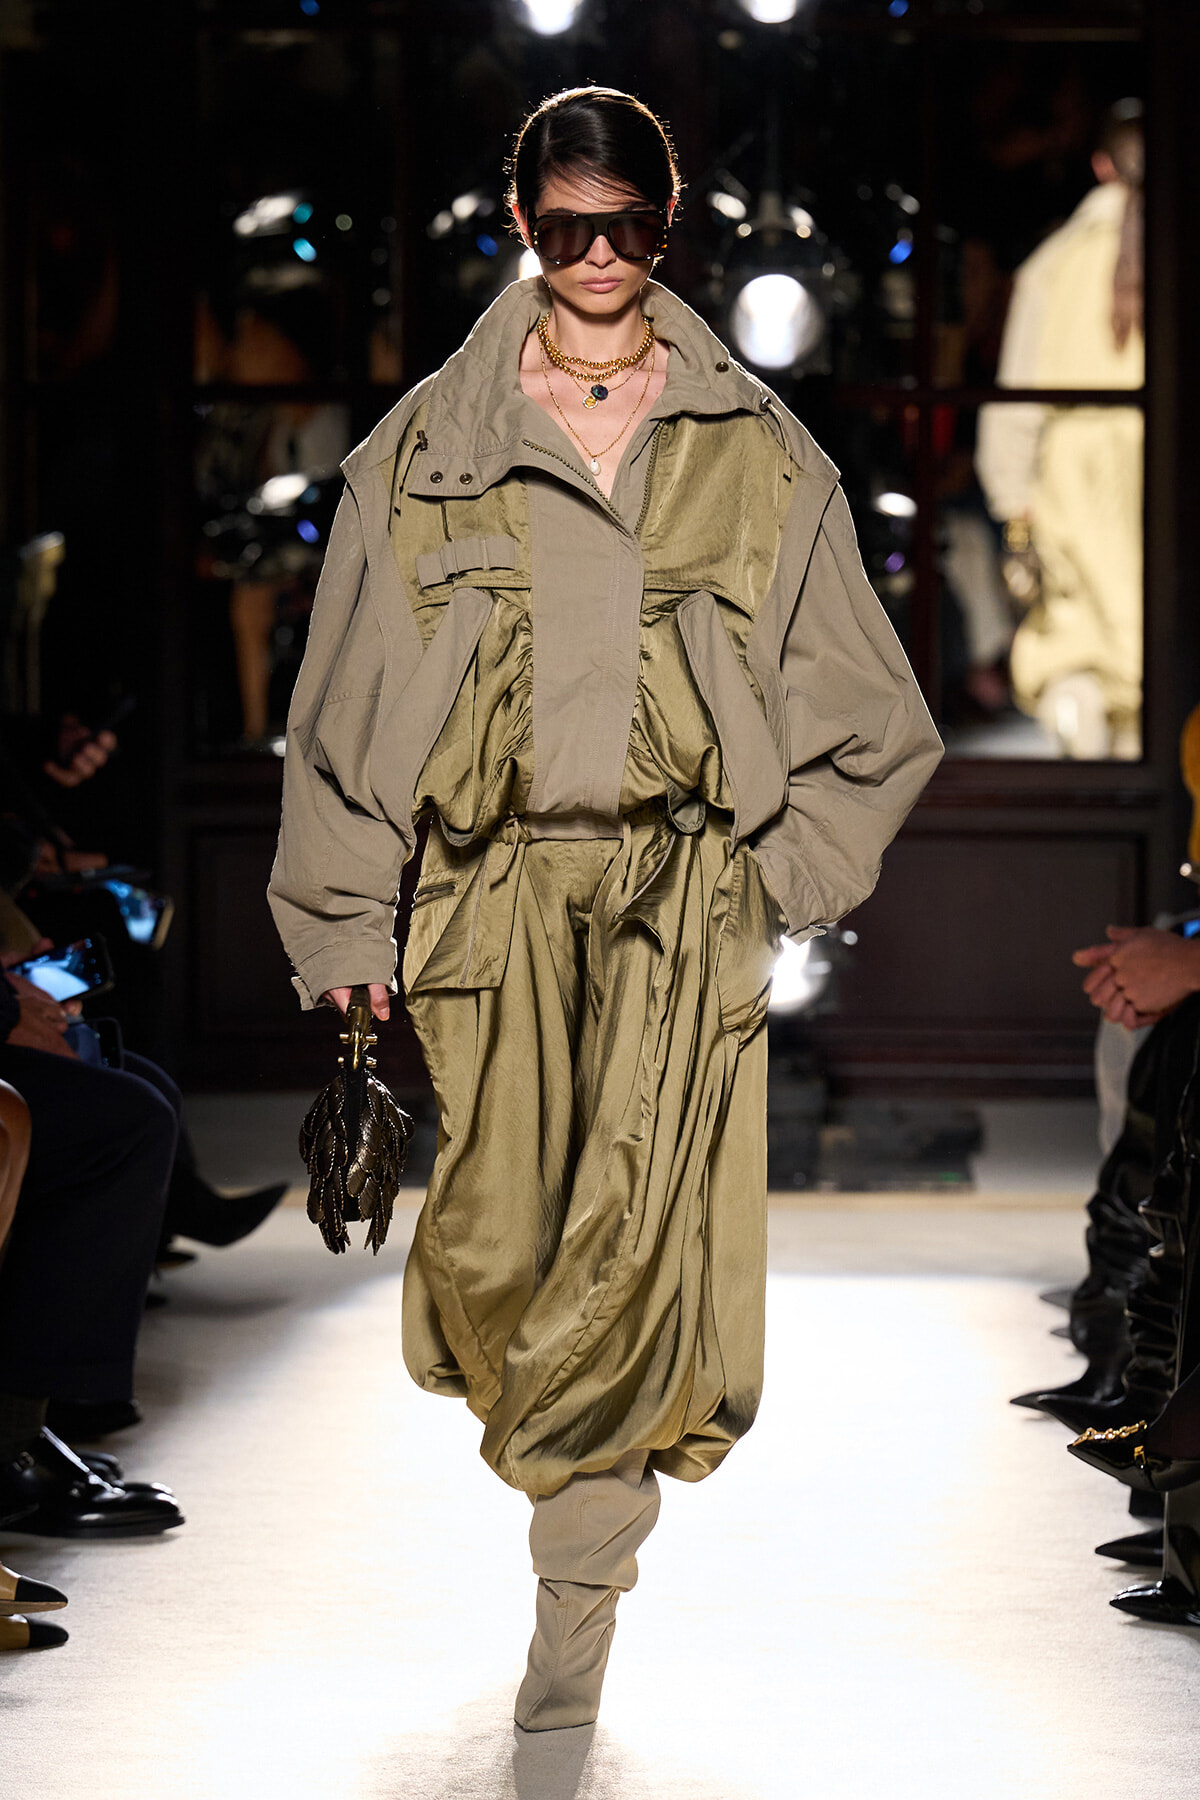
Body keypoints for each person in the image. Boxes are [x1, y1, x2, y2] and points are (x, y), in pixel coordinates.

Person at [268, 86, 942, 1731]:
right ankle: (575, 1523)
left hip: (675, 910)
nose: (593, 258)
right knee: (496, 1273)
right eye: (562, 227)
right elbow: (349, 726)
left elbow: (881, 723)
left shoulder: (758, 456)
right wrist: (349, 950)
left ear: (668, 220)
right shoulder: (423, 454)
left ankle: (575, 1618)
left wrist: (769, 884)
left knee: (628, 1275)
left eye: (624, 226)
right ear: (520, 226)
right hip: (486, 914)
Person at [976, 99, 1144, 759]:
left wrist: (1013, 500)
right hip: (1161, 465)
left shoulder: (1056, 261)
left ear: (1101, 166)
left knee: (1081, 651)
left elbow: (1017, 395)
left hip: (1074, 474)